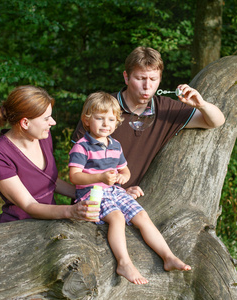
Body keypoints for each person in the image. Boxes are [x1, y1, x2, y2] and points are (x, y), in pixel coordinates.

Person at [69, 92, 191, 285]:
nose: (105, 124)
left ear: (117, 122)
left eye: (110, 119)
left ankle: (168, 256)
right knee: (116, 217)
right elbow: (74, 176)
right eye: (99, 118)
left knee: (142, 216)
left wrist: (123, 177)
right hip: (93, 194)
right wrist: (100, 176)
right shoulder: (82, 147)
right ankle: (124, 262)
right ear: (86, 120)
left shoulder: (115, 145)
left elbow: (124, 170)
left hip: (115, 191)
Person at [72, 46, 225, 199]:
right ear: (126, 77)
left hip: (138, 202)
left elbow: (216, 121)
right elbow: (78, 171)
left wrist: (201, 105)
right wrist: (120, 193)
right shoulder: (101, 111)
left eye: (153, 79)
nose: (147, 86)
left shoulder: (166, 109)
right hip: (95, 200)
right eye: (140, 79)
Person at [0, 85, 100, 223]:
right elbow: (29, 205)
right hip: (18, 227)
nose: (53, 122)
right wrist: (70, 210)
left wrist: (92, 195)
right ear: (25, 123)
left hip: (50, 221)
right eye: (46, 118)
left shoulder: (43, 136)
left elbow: (50, 181)